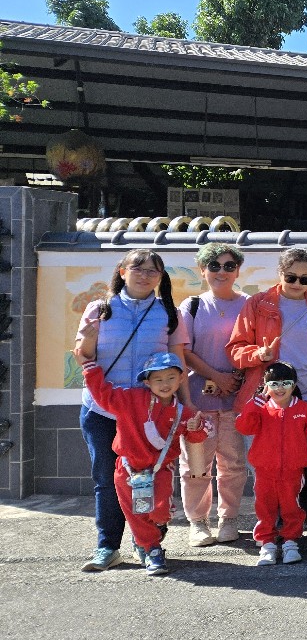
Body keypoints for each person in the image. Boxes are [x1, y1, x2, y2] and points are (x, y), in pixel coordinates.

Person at [227, 248, 307, 558]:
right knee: (269, 472)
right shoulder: (258, 304)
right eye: (291, 276)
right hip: (267, 399)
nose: (297, 283)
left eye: (305, 278)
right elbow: (235, 349)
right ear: (280, 273)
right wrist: (258, 354)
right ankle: (274, 535)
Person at [72, 249, 178, 573]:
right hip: (102, 410)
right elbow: (83, 355)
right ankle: (107, 546)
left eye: (152, 271)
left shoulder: (167, 313)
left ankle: (146, 544)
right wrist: (87, 341)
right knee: (107, 479)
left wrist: (183, 407)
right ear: (122, 271)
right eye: (137, 268)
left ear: (160, 277)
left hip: (148, 414)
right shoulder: (100, 308)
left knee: (149, 478)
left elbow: (178, 362)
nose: (144, 275)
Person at [76, 350, 206, 576]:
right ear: (147, 382)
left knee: (160, 513)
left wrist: (197, 428)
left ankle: (154, 531)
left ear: (181, 378)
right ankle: (152, 550)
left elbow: (198, 436)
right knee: (137, 515)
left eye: (171, 378)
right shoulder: (131, 400)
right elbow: (104, 395)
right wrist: (90, 369)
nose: (165, 384)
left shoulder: (182, 412)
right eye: (158, 379)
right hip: (128, 470)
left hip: (160, 471)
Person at [174, 242, 250, 547]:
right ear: (203, 270)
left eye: (229, 266)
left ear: (237, 271)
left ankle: (229, 519)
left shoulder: (249, 304)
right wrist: (217, 376)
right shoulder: (191, 306)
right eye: (214, 266)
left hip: (236, 399)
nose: (222, 272)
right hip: (197, 400)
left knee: (233, 464)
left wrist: (235, 378)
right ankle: (198, 522)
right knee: (195, 465)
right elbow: (183, 351)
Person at [234, 361, 307, 567]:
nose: (280, 388)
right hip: (264, 471)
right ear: (266, 386)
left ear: (294, 385)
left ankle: (290, 542)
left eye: (286, 383)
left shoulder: (305, 410)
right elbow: (243, 427)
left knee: (291, 507)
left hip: (293, 471)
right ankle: (267, 544)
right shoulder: (261, 408)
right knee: (264, 507)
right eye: (274, 383)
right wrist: (255, 404)